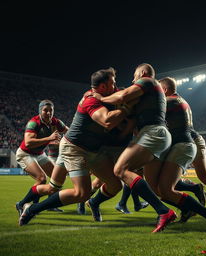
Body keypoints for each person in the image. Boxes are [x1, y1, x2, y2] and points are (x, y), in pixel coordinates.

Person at [18, 67, 135, 227]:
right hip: (75, 149)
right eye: (113, 83)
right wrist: (127, 108)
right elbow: (107, 121)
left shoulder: (108, 98)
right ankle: (32, 209)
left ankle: (93, 203)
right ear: (102, 86)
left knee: (115, 185)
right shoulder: (91, 99)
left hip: (93, 151)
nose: (116, 86)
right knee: (80, 192)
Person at [88, 63, 176, 233]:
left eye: (135, 75)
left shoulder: (148, 81)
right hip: (153, 134)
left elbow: (124, 95)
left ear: (142, 73)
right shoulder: (147, 95)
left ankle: (163, 211)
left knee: (120, 170)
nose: (132, 79)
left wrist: (101, 99)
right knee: (145, 181)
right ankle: (205, 214)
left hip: (153, 132)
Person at [143, 77, 206, 232]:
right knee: (160, 187)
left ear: (165, 90)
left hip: (187, 143)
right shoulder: (178, 100)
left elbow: (148, 111)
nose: (158, 94)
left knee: (170, 188)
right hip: (182, 143)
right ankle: (196, 204)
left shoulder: (170, 101)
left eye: (159, 90)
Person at [15, 99, 68, 216]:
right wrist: (49, 138)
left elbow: (68, 132)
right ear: (40, 111)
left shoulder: (56, 122)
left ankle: (49, 205)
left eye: (51, 110)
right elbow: (28, 142)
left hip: (39, 154)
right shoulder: (33, 123)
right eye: (45, 110)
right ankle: (22, 204)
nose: (49, 113)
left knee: (57, 176)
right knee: (41, 178)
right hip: (25, 153)